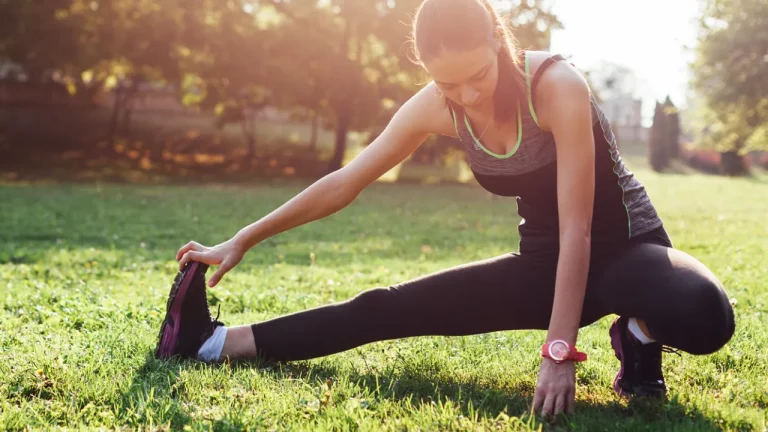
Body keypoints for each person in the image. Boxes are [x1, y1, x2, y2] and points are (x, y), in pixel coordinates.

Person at [154, 0, 735, 417]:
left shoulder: (557, 87)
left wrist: (559, 351)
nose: (467, 96)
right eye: (447, 84)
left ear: (500, 41)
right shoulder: (438, 104)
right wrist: (243, 238)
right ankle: (212, 343)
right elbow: (346, 181)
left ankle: (637, 333)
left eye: (478, 75)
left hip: (626, 250)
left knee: (707, 314)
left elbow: (579, 227)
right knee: (385, 309)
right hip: (543, 262)